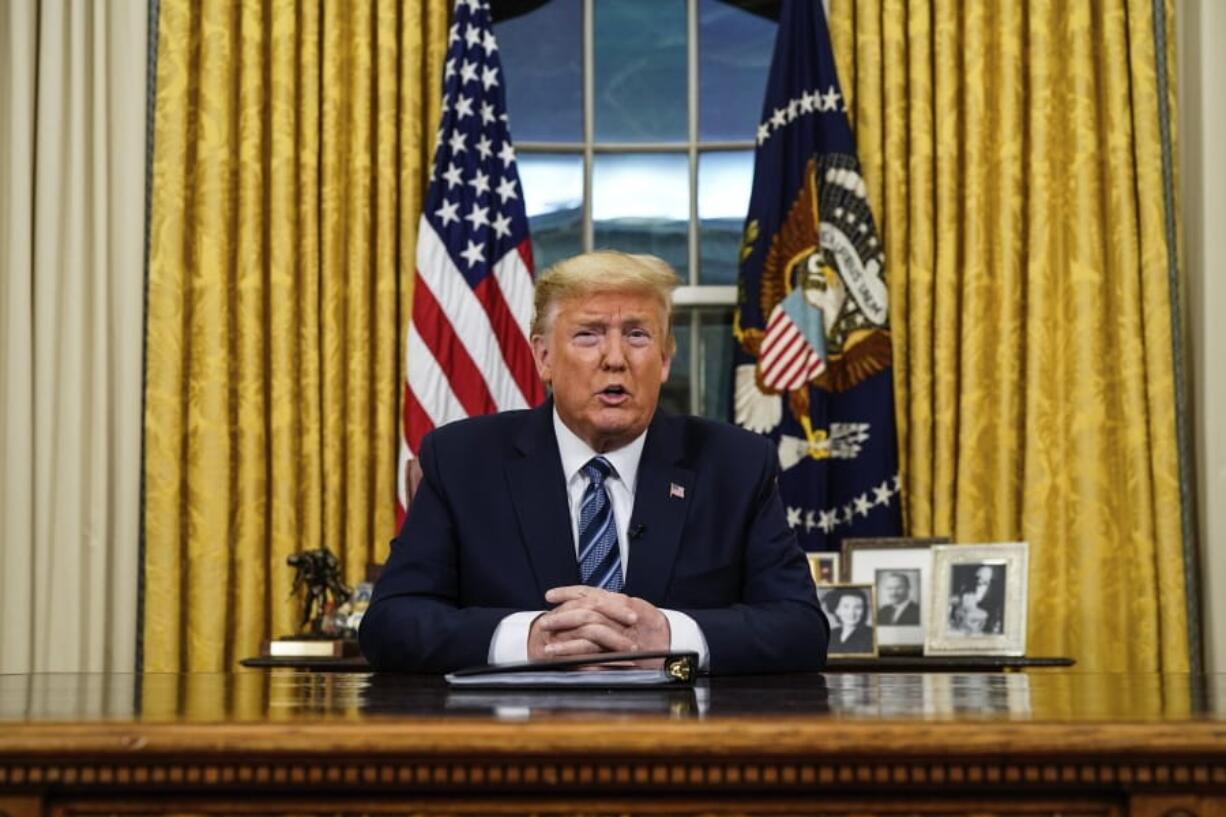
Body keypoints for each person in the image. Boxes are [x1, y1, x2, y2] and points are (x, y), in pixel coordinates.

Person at [360, 250, 829, 674]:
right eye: (588, 335)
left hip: (681, 746)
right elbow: (391, 623)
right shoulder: (462, 461)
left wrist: (668, 637)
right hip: (512, 748)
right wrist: (530, 640)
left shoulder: (735, 465)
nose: (615, 359)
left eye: (638, 336)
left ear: (665, 360)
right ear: (543, 356)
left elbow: (801, 629)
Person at [949, 564, 1004, 635]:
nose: (977, 580)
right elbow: (959, 601)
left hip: (986, 627)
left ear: (988, 578)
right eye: (977, 577)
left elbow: (997, 610)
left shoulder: (996, 590)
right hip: (966, 626)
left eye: (980, 577)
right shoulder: (969, 586)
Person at [824, 587, 873, 654]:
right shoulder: (831, 634)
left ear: (864, 610)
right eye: (846, 607)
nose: (851, 613)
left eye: (858, 607)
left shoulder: (871, 635)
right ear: (836, 610)